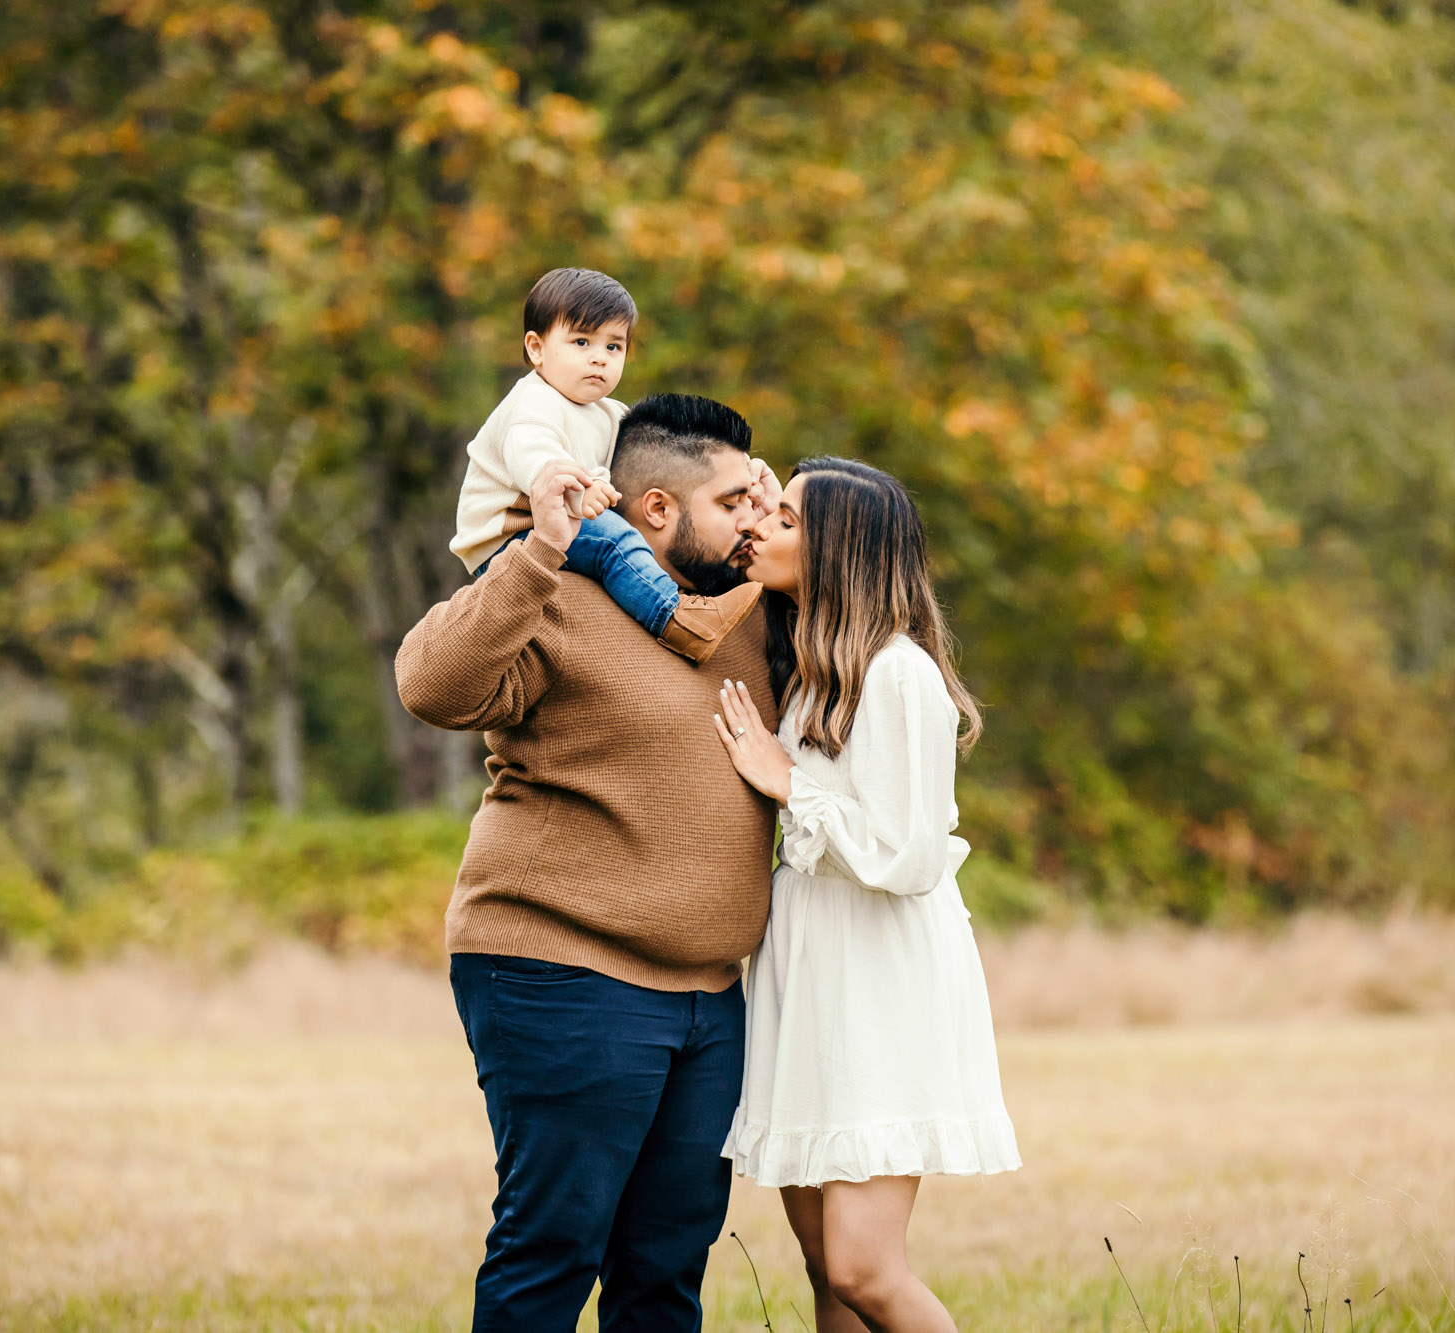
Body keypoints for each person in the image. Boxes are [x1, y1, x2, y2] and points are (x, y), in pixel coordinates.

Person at [396, 393, 783, 1333]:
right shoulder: (560, 590)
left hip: (708, 995)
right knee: (554, 1244)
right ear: (656, 508)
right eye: (735, 500)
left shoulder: (750, 611)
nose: (754, 518)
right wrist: (537, 553)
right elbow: (429, 684)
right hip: (562, 969)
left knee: (666, 1264)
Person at [712, 457, 1020, 1333]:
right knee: (823, 1265)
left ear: (840, 549)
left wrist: (784, 784)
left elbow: (909, 853)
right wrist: (755, 491)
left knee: (863, 1265)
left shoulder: (897, 674)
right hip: (811, 970)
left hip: (878, 977)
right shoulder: (812, 666)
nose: (763, 526)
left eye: (786, 518)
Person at [449, 266, 766, 665]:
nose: (599, 358)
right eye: (581, 342)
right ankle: (676, 619)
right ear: (537, 348)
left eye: (613, 347)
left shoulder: (607, 412)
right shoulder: (531, 406)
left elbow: (657, 454)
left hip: (556, 523)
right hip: (507, 538)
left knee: (613, 532)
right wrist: (582, 491)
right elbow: (540, 464)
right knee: (614, 539)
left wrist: (738, 477)